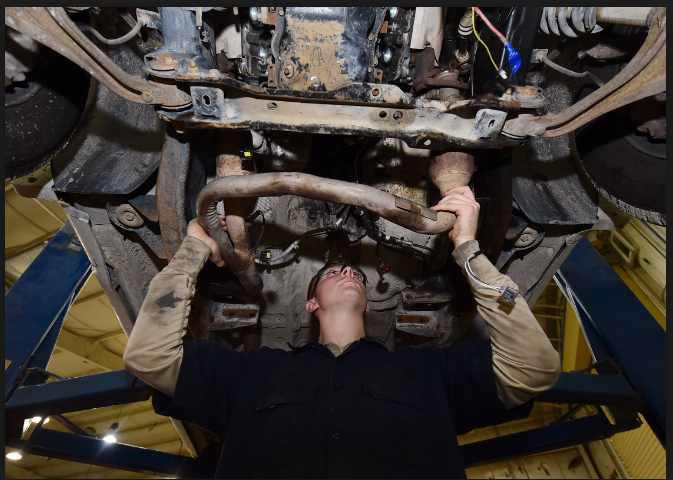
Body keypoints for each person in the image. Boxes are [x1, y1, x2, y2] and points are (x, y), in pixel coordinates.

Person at [123, 186, 561, 478]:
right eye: (334, 271)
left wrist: (468, 250)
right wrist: (193, 253)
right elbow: (149, 359)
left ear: (369, 305)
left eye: (355, 272)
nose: (349, 268)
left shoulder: (431, 375)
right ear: (310, 304)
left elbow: (534, 369)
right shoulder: (251, 375)